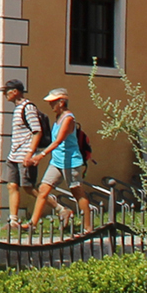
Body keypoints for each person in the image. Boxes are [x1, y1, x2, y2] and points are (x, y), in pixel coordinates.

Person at [25, 87, 94, 233]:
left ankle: (88, 227)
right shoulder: (58, 118)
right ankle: (32, 224)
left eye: (53, 102)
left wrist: (40, 156)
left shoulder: (68, 119)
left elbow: (58, 141)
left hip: (70, 162)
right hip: (57, 161)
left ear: (61, 102)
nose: (51, 105)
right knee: (43, 189)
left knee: (77, 192)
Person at [1, 80, 46, 222]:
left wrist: (30, 153)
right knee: (12, 185)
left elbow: (37, 131)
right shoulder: (18, 108)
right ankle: (13, 220)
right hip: (14, 155)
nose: (5, 95)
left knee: (28, 188)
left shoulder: (28, 108)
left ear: (15, 91)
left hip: (24, 155)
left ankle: (59, 208)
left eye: (6, 92)